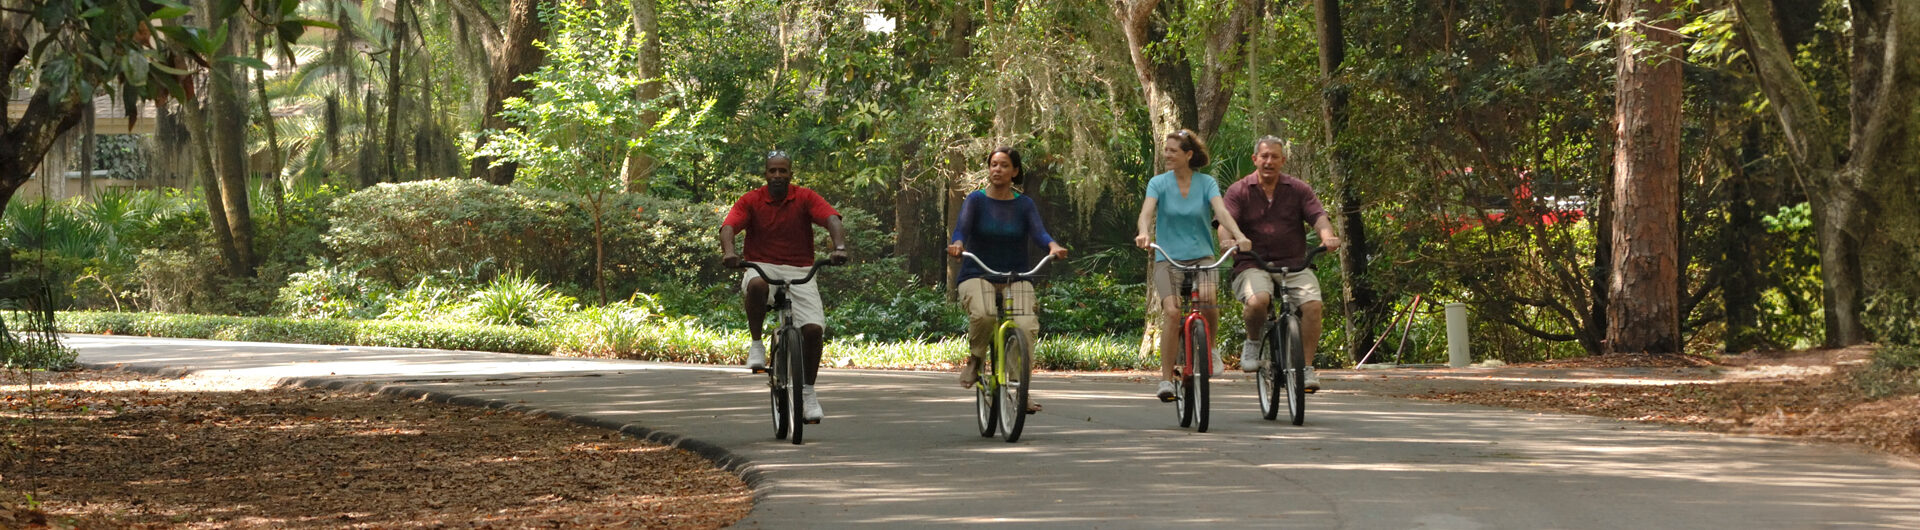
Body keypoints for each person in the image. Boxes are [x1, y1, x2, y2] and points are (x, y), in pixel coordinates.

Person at [719, 151, 850, 422]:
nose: (777, 176)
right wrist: (729, 252)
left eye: (783, 171)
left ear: (791, 174)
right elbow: (729, 226)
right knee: (756, 285)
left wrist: (839, 247)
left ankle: (809, 394)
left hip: (800, 268)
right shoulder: (752, 200)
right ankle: (757, 345)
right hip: (761, 264)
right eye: (772, 171)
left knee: (813, 330)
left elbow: (831, 218)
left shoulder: (804, 197)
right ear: (765, 174)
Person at [947, 147, 1069, 412]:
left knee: (1025, 328)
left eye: (1004, 165)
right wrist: (957, 244)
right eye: (993, 164)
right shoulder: (976, 200)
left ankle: (1020, 389)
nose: (997, 169)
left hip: (1016, 276)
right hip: (977, 273)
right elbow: (961, 230)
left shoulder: (1024, 204)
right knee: (985, 314)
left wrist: (1053, 246)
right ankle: (976, 360)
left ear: (1015, 171)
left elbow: (1039, 233)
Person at [1133, 129, 1251, 401]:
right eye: (1166, 150)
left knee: (1208, 300)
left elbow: (1221, 212)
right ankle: (1165, 379)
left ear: (1188, 154)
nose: (1167, 154)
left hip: (1201, 256)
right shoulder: (1158, 183)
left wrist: (1239, 236)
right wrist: (1144, 232)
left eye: (1173, 150)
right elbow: (1146, 213)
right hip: (1168, 258)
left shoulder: (1206, 183)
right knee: (1173, 312)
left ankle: (1209, 349)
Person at [1220, 136, 1340, 391]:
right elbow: (1225, 222)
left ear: (1283, 160)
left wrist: (1327, 236)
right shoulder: (1239, 190)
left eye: (1275, 156)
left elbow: (1318, 216)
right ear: (1255, 159)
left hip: (1293, 264)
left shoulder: (1298, 189)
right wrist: (1228, 241)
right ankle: (1253, 342)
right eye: (1264, 156)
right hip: (1253, 263)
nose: (1269, 161)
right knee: (1258, 301)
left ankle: (1306, 368)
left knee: (1313, 305)